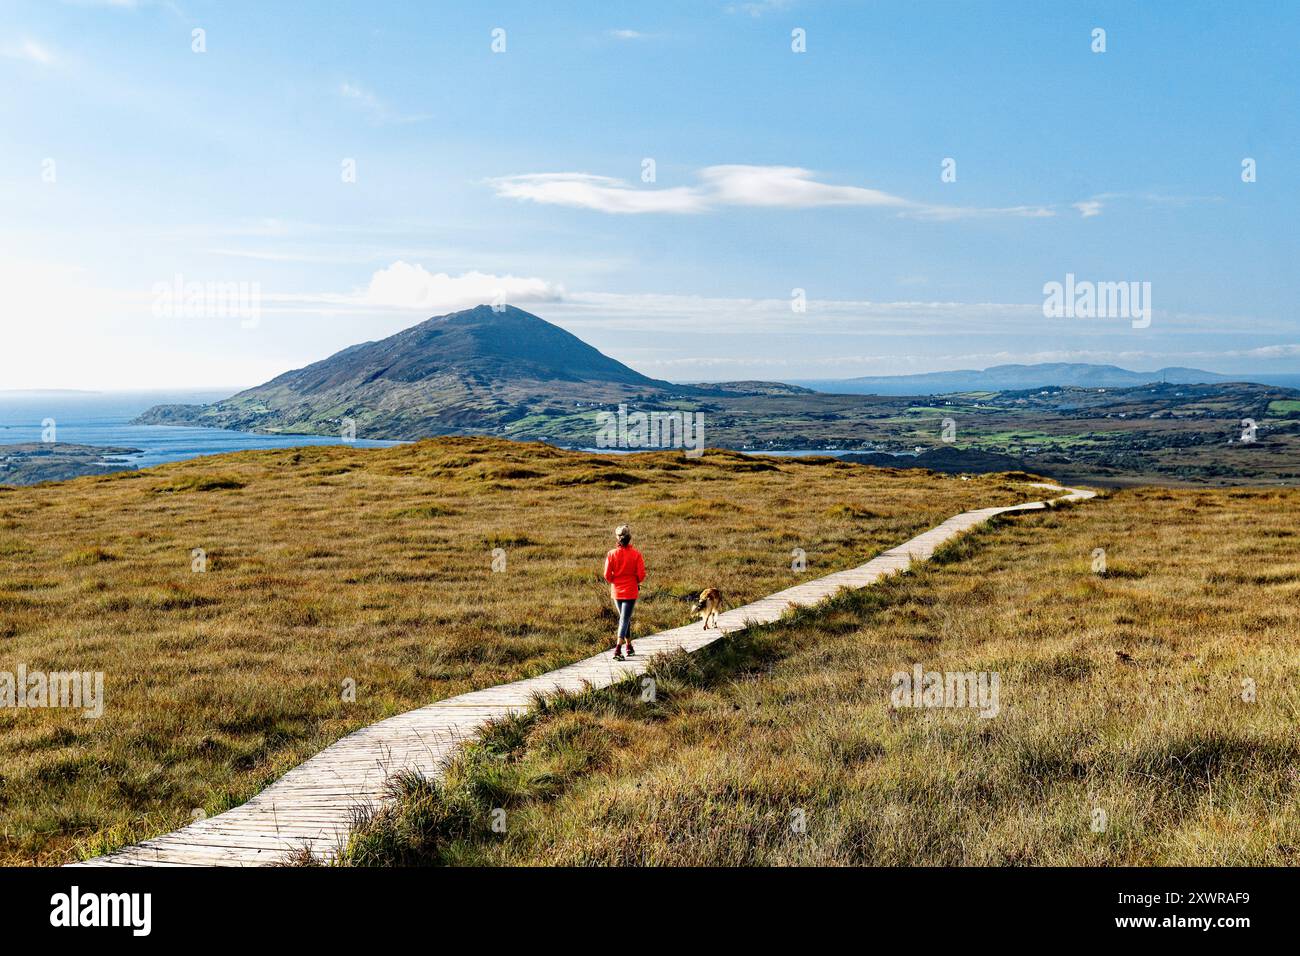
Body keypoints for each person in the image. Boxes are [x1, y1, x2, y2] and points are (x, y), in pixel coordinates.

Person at [603, 524, 646, 660]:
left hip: (617, 591)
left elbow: (607, 575)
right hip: (631, 590)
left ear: (617, 538)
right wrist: (635, 581)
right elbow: (641, 574)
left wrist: (615, 580)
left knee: (624, 618)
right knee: (624, 619)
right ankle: (618, 650)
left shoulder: (611, 554)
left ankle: (629, 646)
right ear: (629, 537)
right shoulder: (636, 554)